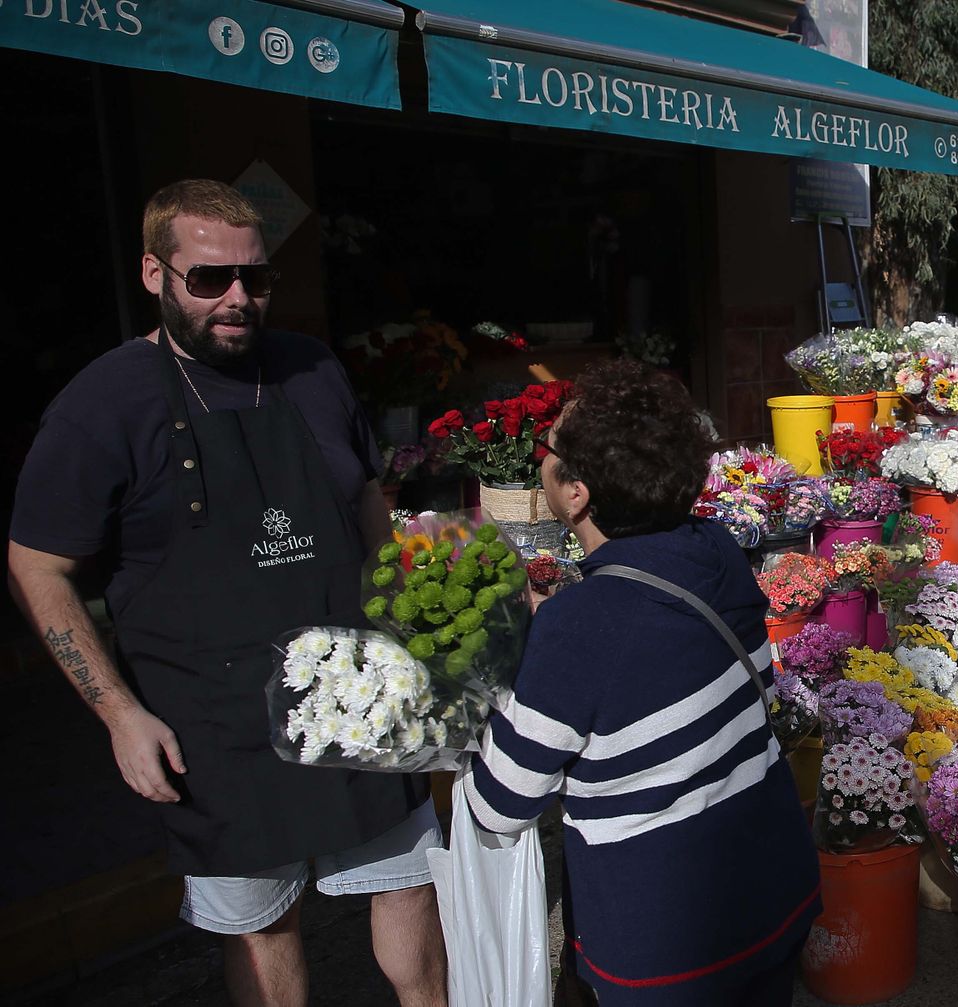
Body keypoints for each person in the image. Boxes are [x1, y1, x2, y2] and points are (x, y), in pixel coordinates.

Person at [6, 180, 445, 1004]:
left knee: (411, 885)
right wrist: (117, 713)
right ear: (154, 273)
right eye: (209, 279)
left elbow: (362, 501)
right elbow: (37, 564)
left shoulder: (313, 368)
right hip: (215, 719)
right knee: (261, 931)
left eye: (255, 278)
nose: (238, 298)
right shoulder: (102, 404)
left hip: (358, 692)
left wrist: (402, 619)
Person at [466, 359, 820, 1006]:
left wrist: (505, 666)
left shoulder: (578, 627)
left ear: (576, 493)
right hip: (773, 894)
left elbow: (500, 803)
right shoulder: (715, 550)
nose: (542, 456)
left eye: (549, 449)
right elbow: (749, 682)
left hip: (664, 952)